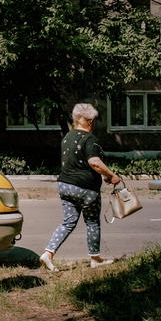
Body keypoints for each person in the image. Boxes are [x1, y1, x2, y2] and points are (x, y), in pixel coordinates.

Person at [40, 103, 121, 272]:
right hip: (86, 188)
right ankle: (95, 259)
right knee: (92, 222)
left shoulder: (67, 137)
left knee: (68, 222)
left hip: (65, 185)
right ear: (90, 121)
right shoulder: (90, 139)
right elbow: (94, 162)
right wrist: (111, 175)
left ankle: (48, 253)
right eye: (95, 120)